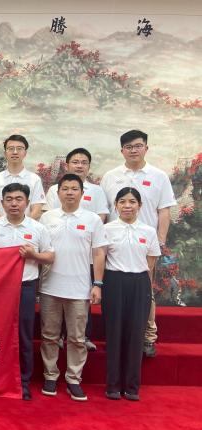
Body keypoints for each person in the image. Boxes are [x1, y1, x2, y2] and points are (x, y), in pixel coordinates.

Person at [100, 130, 177, 358]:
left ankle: (147, 337)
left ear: (146, 148)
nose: (133, 150)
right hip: (114, 245)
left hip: (145, 245)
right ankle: (116, 337)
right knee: (114, 294)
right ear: (122, 150)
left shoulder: (158, 176)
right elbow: (104, 211)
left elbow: (164, 211)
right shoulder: (110, 176)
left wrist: (159, 242)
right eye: (128, 147)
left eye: (138, 146)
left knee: (146, 292)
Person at [0, 183, 54, 400]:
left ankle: (23, 382)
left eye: (19, 199)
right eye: (9, 199)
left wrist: (34, 255)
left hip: (26, 288)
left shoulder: (38, 228)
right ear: (2, 203)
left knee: (23, 335)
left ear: (27, 202)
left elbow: (50, 256)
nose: (14, 203)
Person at [39, 174, 108, 402]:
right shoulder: (47, 218)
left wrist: (97, 284)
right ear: (58, 193)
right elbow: (40, 250)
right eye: (65, 188)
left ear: (82, 193)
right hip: (50, 287)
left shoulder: (92, 220)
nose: (69, 192)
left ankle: (73, 379)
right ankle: (50, 376)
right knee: (49, 335)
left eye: (74, 189)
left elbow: (98, 253)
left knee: (77, 338)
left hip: (79, 288)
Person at [44, 148, 109, 352]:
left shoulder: (96, 192)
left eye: (84, 162)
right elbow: (48, 224)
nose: (79, 165)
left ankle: (82, 338)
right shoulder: (53, 193)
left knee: (79, 306)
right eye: (75, 161)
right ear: (67, 165)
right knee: (52, 321)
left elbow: (101, 219)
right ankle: (58, 342)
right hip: (56, 261)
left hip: (84, 255)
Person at [103, 187, 161, 401]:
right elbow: (100, 258)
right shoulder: (107, 229)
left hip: (139, 283)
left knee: (136, 334)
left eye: (132, 202)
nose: (127, 206)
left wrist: (143, 284)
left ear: (140, 205)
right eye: (122, 201)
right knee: (114, 333)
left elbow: (151, 262)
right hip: (114, 281)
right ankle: (113, 385)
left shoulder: (148, 231)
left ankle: (132, 387)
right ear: (116, 205)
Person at [0, 135, 45, 220]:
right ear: (5, 153)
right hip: (1, 227)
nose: (15, 152)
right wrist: (2, 225)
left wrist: (24, 224)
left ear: (25, 153)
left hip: (27, 227)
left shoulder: (35, 179)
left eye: (19, 148)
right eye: (11, 149)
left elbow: (37, 208)